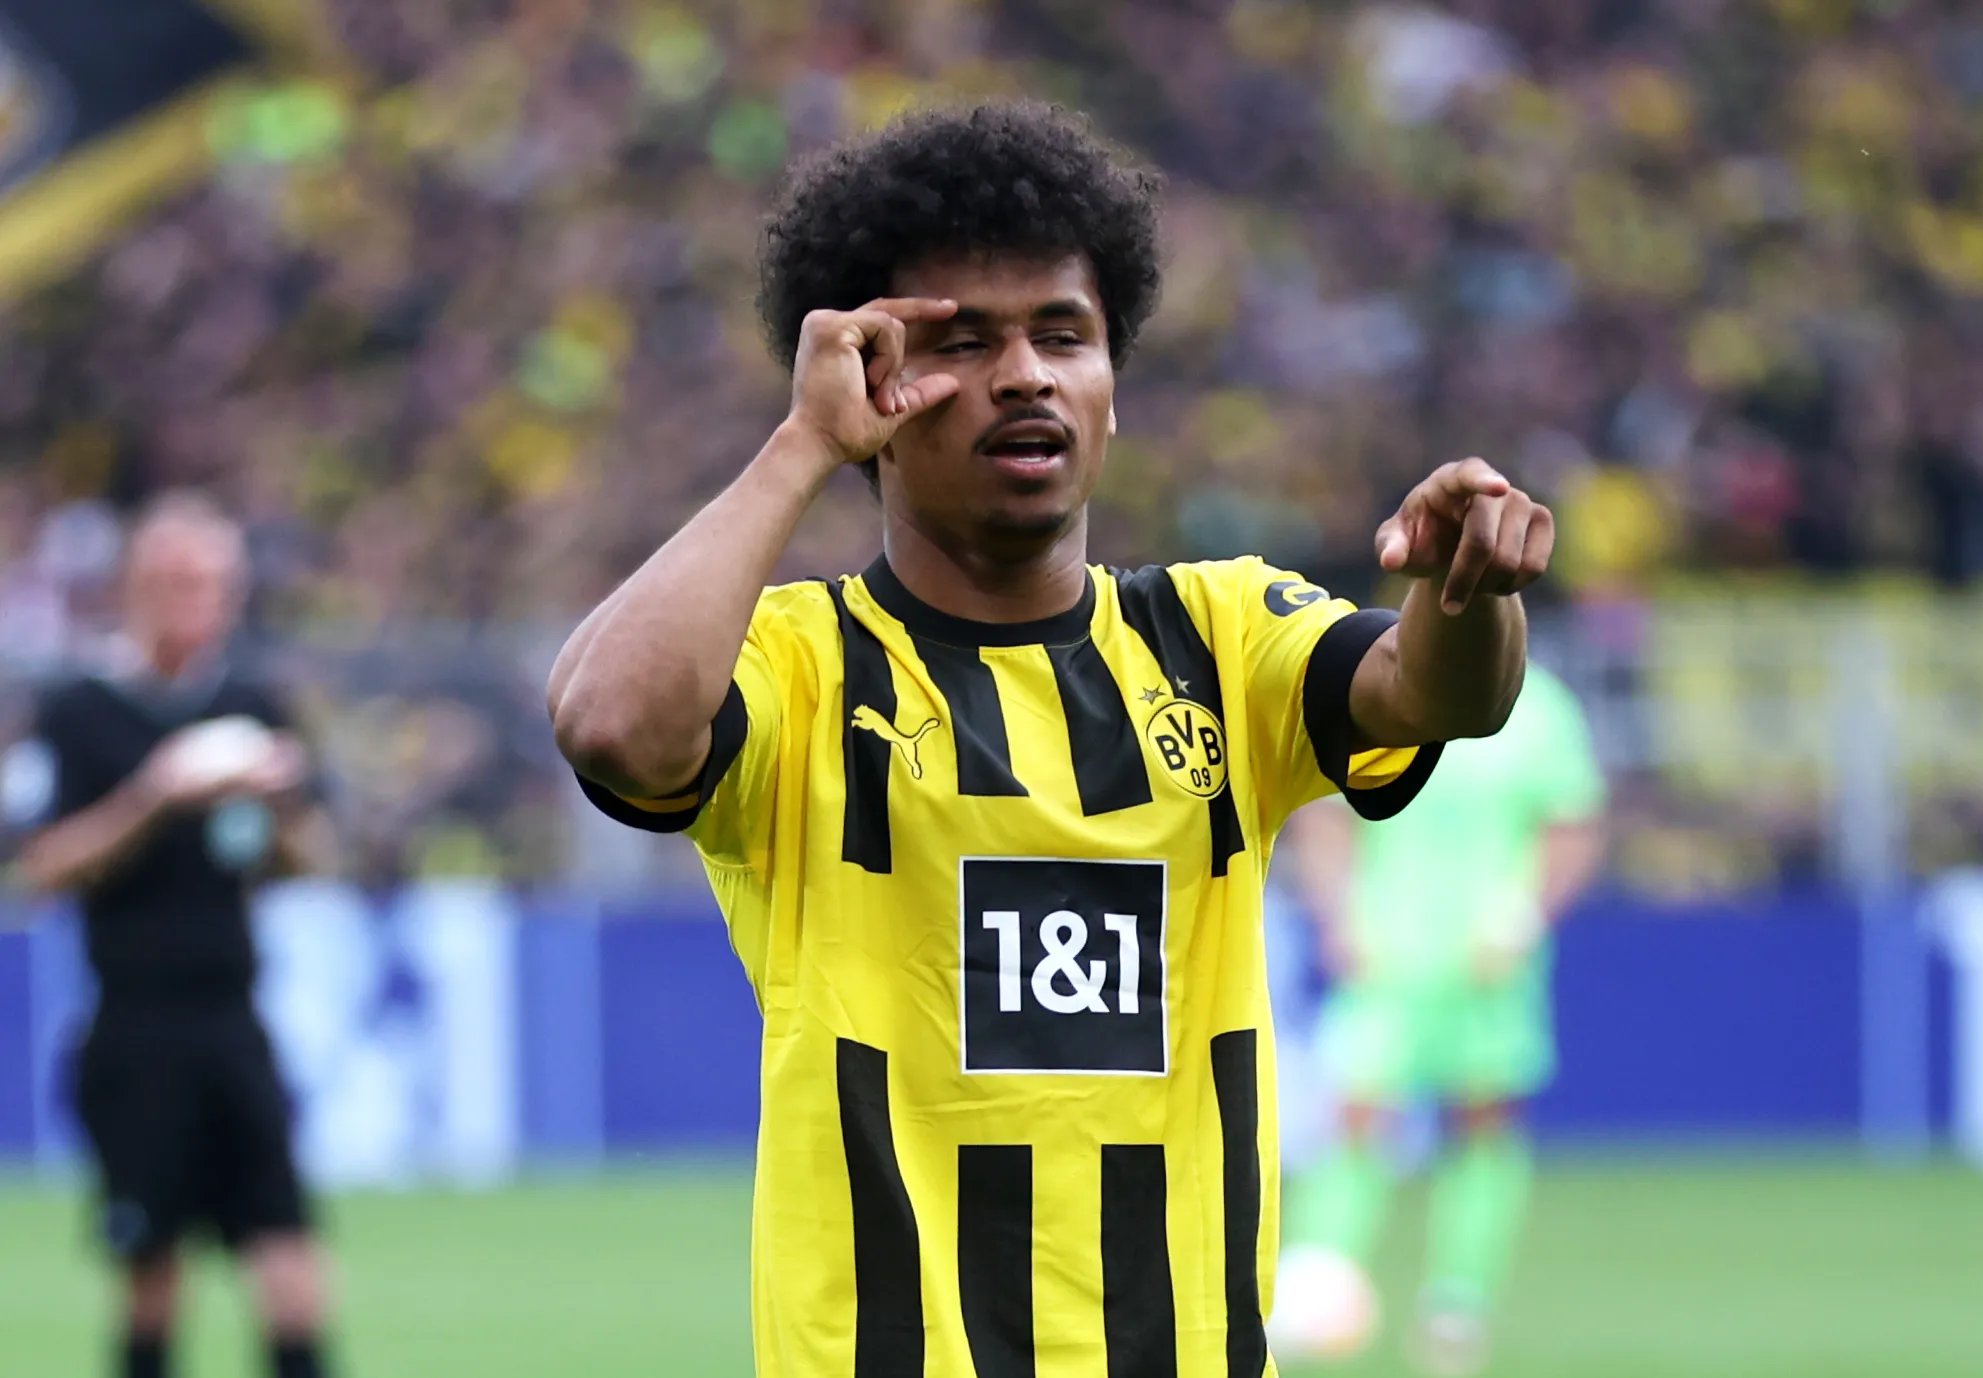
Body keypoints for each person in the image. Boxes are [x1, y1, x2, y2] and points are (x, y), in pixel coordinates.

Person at [549, 101, 1555, 1376]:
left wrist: (1468, 589)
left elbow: (1438, 695)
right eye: (961, 342)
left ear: (1110, 393)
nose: (1024, 373)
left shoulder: (1220, 636)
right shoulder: (803, 666)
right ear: (876, 391)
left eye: (1062, 335)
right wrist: (800, 446)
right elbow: (612, 725)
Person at [2, 493, 338, 1378]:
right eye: (184, 582)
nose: (205, 602)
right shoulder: (80, 712)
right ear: (137, 588)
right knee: (152, 1274)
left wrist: (279, 805)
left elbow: (307, 863)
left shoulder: (251, 704)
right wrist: (154, 797)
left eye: (219, 584)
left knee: (290, 1263)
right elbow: (43, 867)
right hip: (134, 1026)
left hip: (234, 1021)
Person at [1276, 661, 1607, 1375]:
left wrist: (1523, 915)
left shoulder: (1542, 708)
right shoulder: (1383, 680)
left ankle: (1458, 1306)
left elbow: (1572, 824)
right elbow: (1325, 811)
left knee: (1483, 1122)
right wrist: (1338, 912)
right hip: (1387, 951)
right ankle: (1320, 1284)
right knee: (1357, 1116)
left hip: (1488, 959)